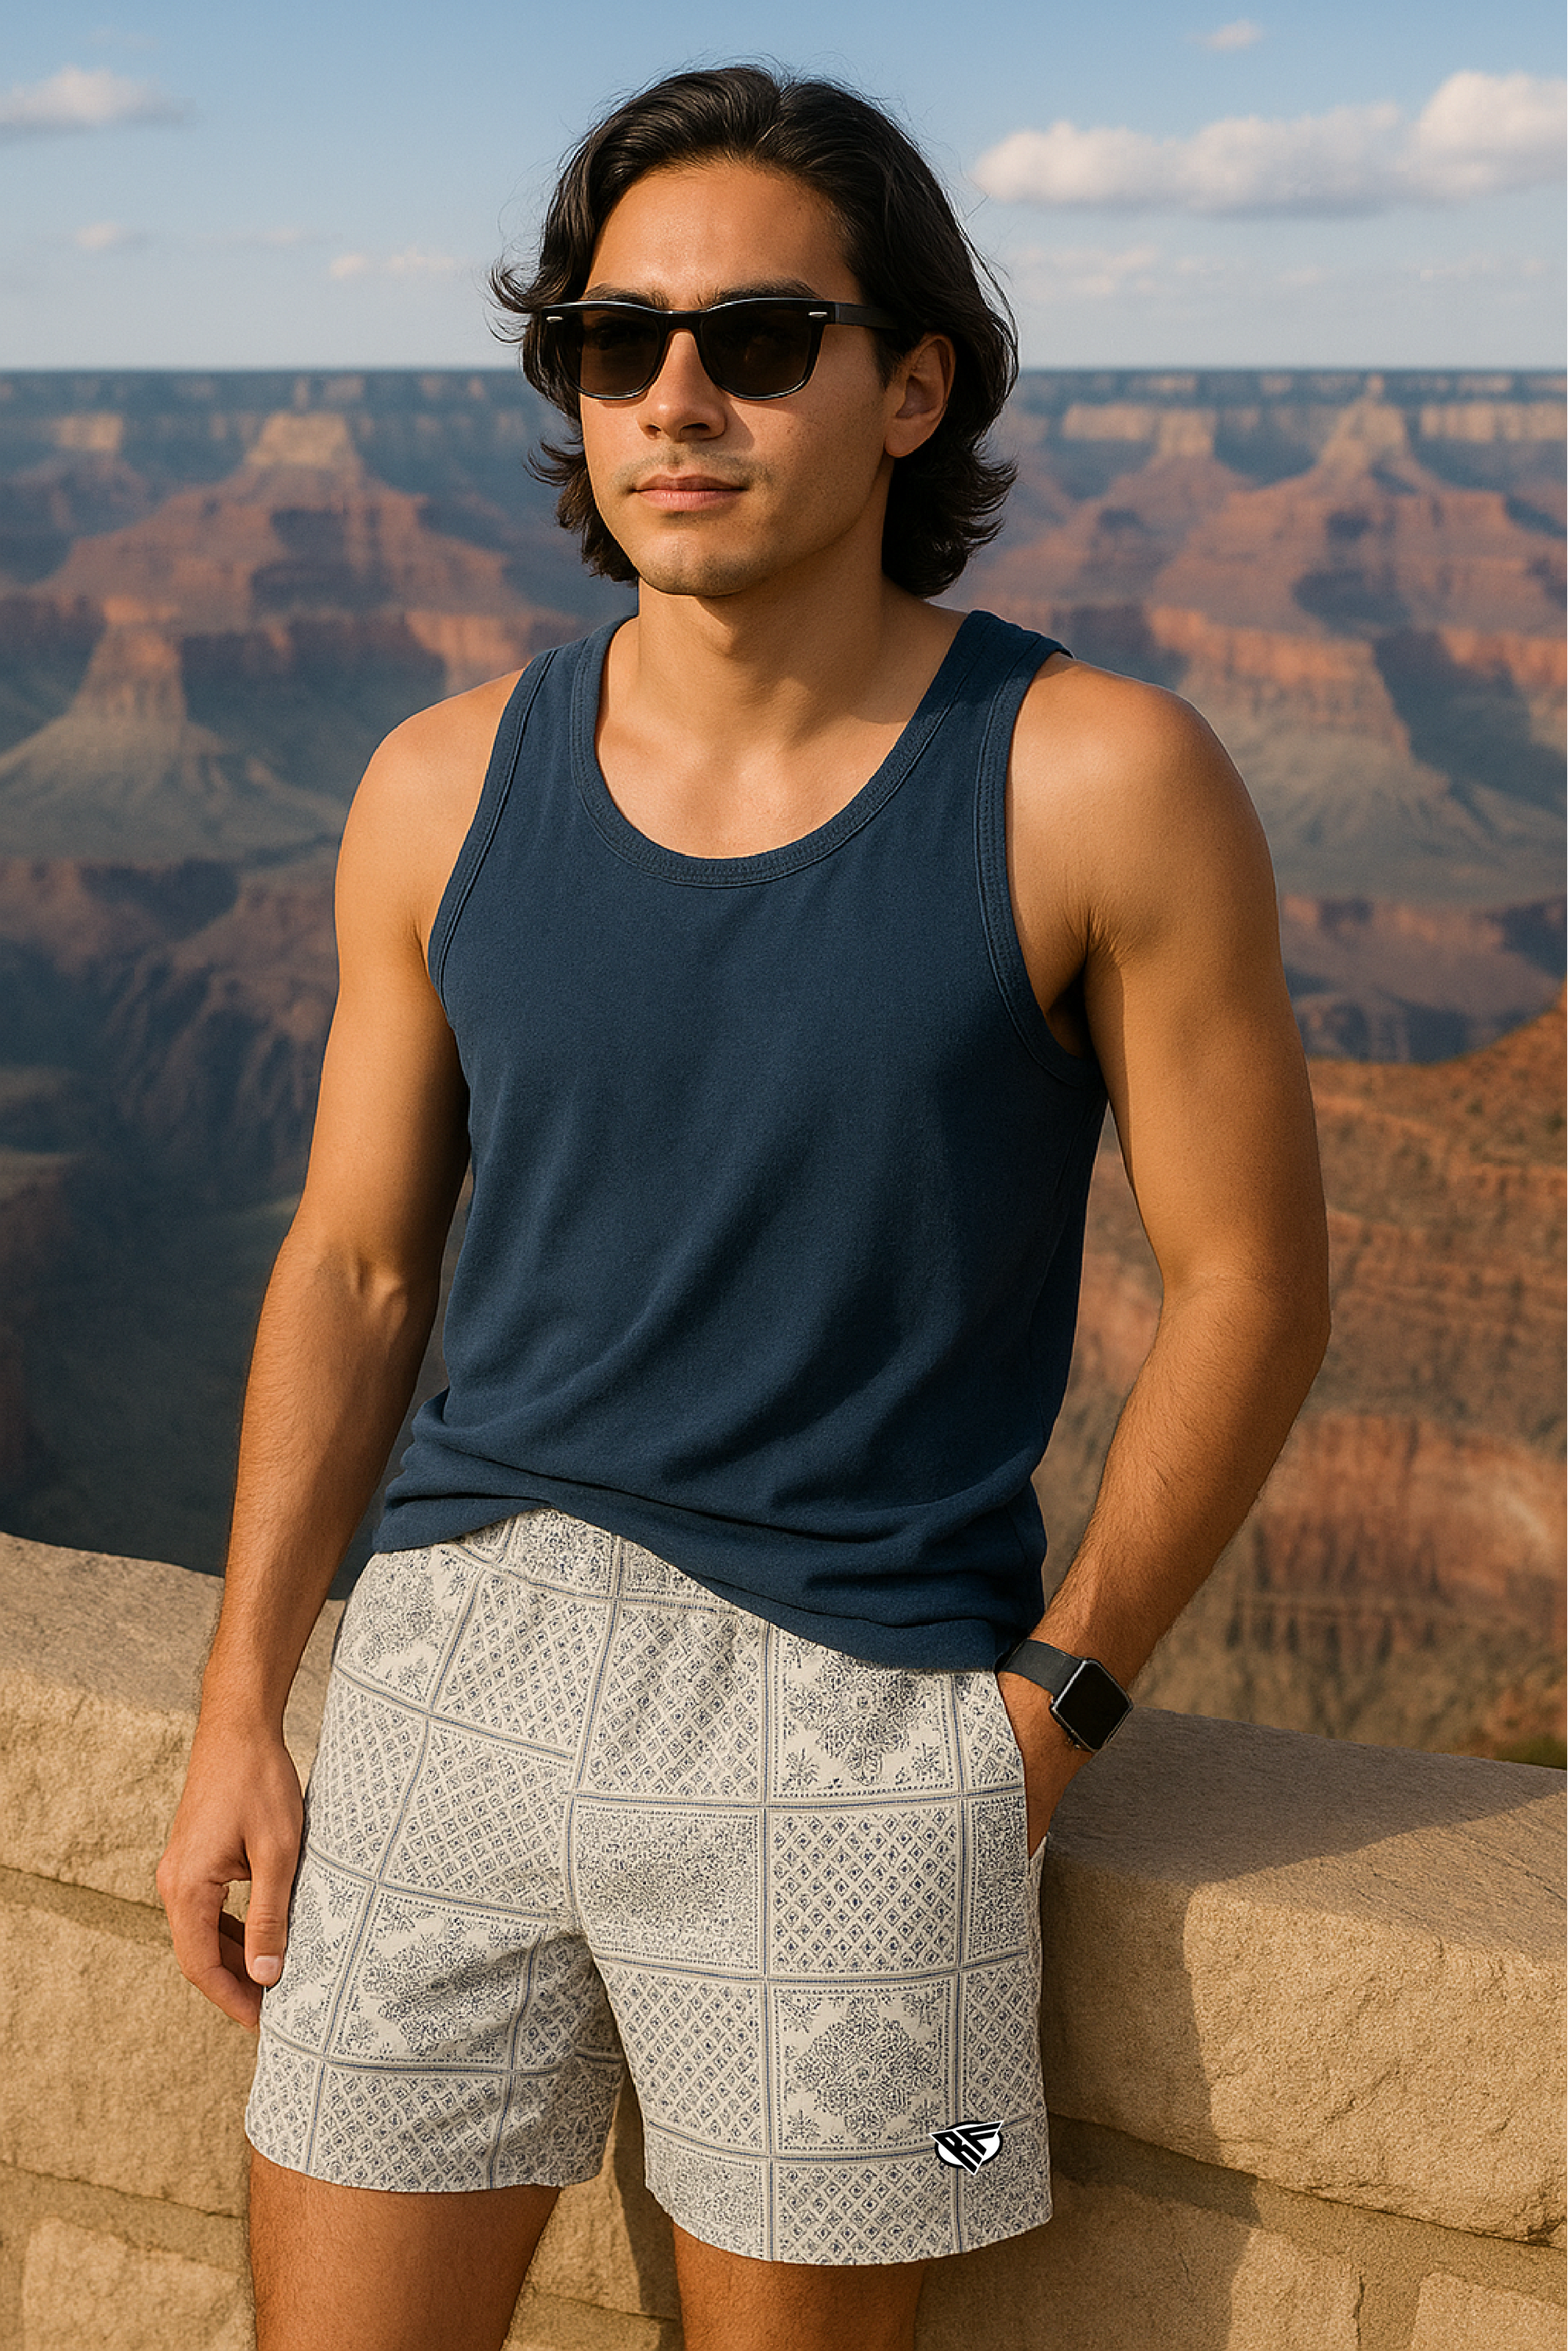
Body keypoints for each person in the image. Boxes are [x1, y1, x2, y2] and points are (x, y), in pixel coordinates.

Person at [157, 62, 1330, 2351]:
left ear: (910, 387)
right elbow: (359, 1262)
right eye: (617, 341)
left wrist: (1038, 1725)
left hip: (863, 1711)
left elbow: (1258, 1289)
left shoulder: (1100, 778)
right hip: (441, 1694)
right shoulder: (434, 787)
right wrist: (241, 1707)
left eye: (761, 339)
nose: (676, 395)